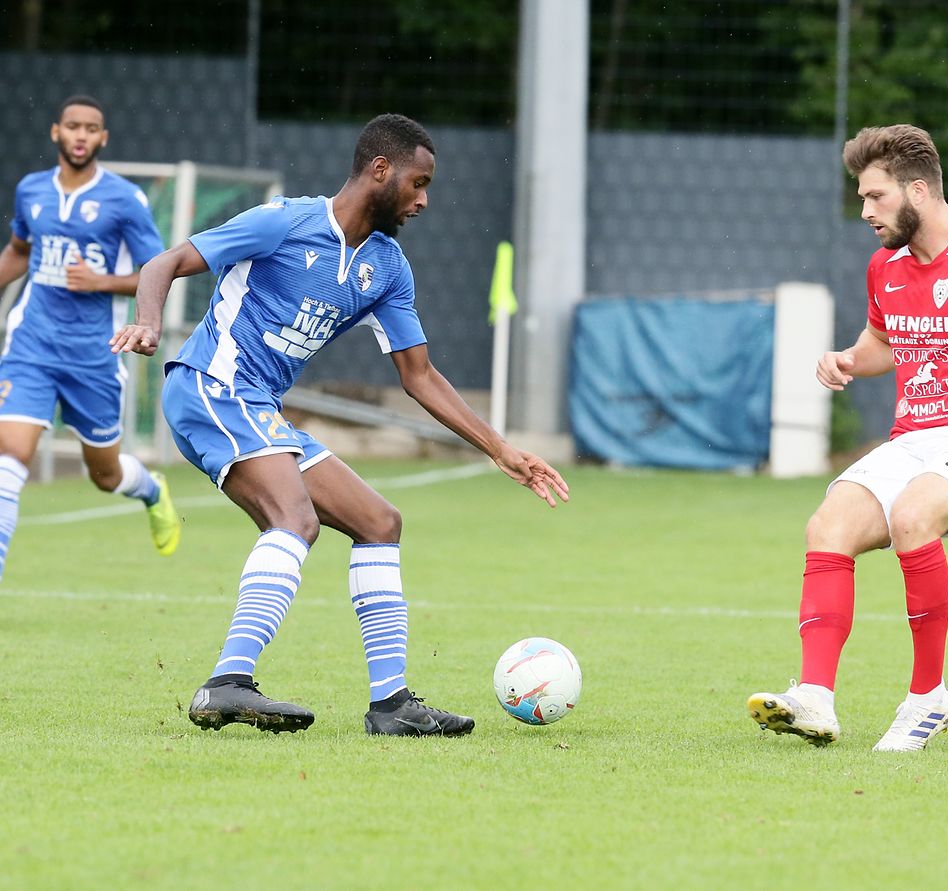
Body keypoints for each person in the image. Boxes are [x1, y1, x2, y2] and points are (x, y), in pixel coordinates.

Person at [111, 113, 569, 738]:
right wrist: (149, 321)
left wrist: (500, 449)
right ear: (381, 171)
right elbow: (163, 263)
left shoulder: (387, 267)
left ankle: (391, 705)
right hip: (209, 388)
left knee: (379, 522)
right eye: (418, 183)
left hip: (259, 410)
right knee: (294, 518)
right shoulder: (285, 221)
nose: (423, 200)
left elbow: (421, 375)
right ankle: (228, 682)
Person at [748, 124, 948, 751]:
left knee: (912, 515)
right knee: (828, 526)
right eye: (861, 198)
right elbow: (885, 345)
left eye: (876, 197)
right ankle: (814, 697)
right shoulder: (885, 267)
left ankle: (928, 698)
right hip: (915, 435)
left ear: (917, 191)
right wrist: (846, 358)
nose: (865, 211)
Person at [0, 95, 181, 582]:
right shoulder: (32, 190)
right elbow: (19, 251)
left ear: (103, 138)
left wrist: (101, 281)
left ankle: (150, 490)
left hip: (94, 354)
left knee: (104, 475)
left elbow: (156, 271)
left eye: (92, 128)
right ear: (56, 132)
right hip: (31, 344)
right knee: (8, 457)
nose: (81, 135)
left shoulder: (125, 199)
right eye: (73, 126)